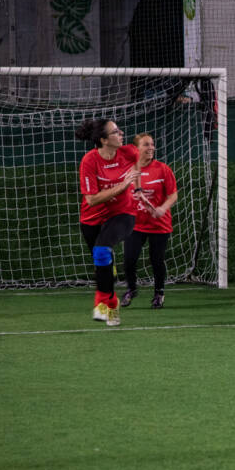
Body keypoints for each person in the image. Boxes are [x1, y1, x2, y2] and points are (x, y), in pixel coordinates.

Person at [75, 118, 141, 327]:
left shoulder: (129, 152)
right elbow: (92, 199)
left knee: (102, 251)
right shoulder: (89, 161)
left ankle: (108, 308)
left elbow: (138, 167)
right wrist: (123, 185)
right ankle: (110, 300)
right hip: (92, 217)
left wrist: (136, 187)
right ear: (104, 140)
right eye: (115, 132)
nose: (121, 134)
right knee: (101, 264)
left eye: (120, 130)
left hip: (123, 213)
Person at [120, 133, 178, 310]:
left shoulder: (162, 169)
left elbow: (173, 195)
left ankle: (159, 293)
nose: (151, 148)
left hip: (159, 225)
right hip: (135, 224)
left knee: (157, 260)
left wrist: (162, 208)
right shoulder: (128, 171)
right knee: (129, 260)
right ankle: (131, 289)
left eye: (152, 144)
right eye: (146, 145)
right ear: (136, 149)